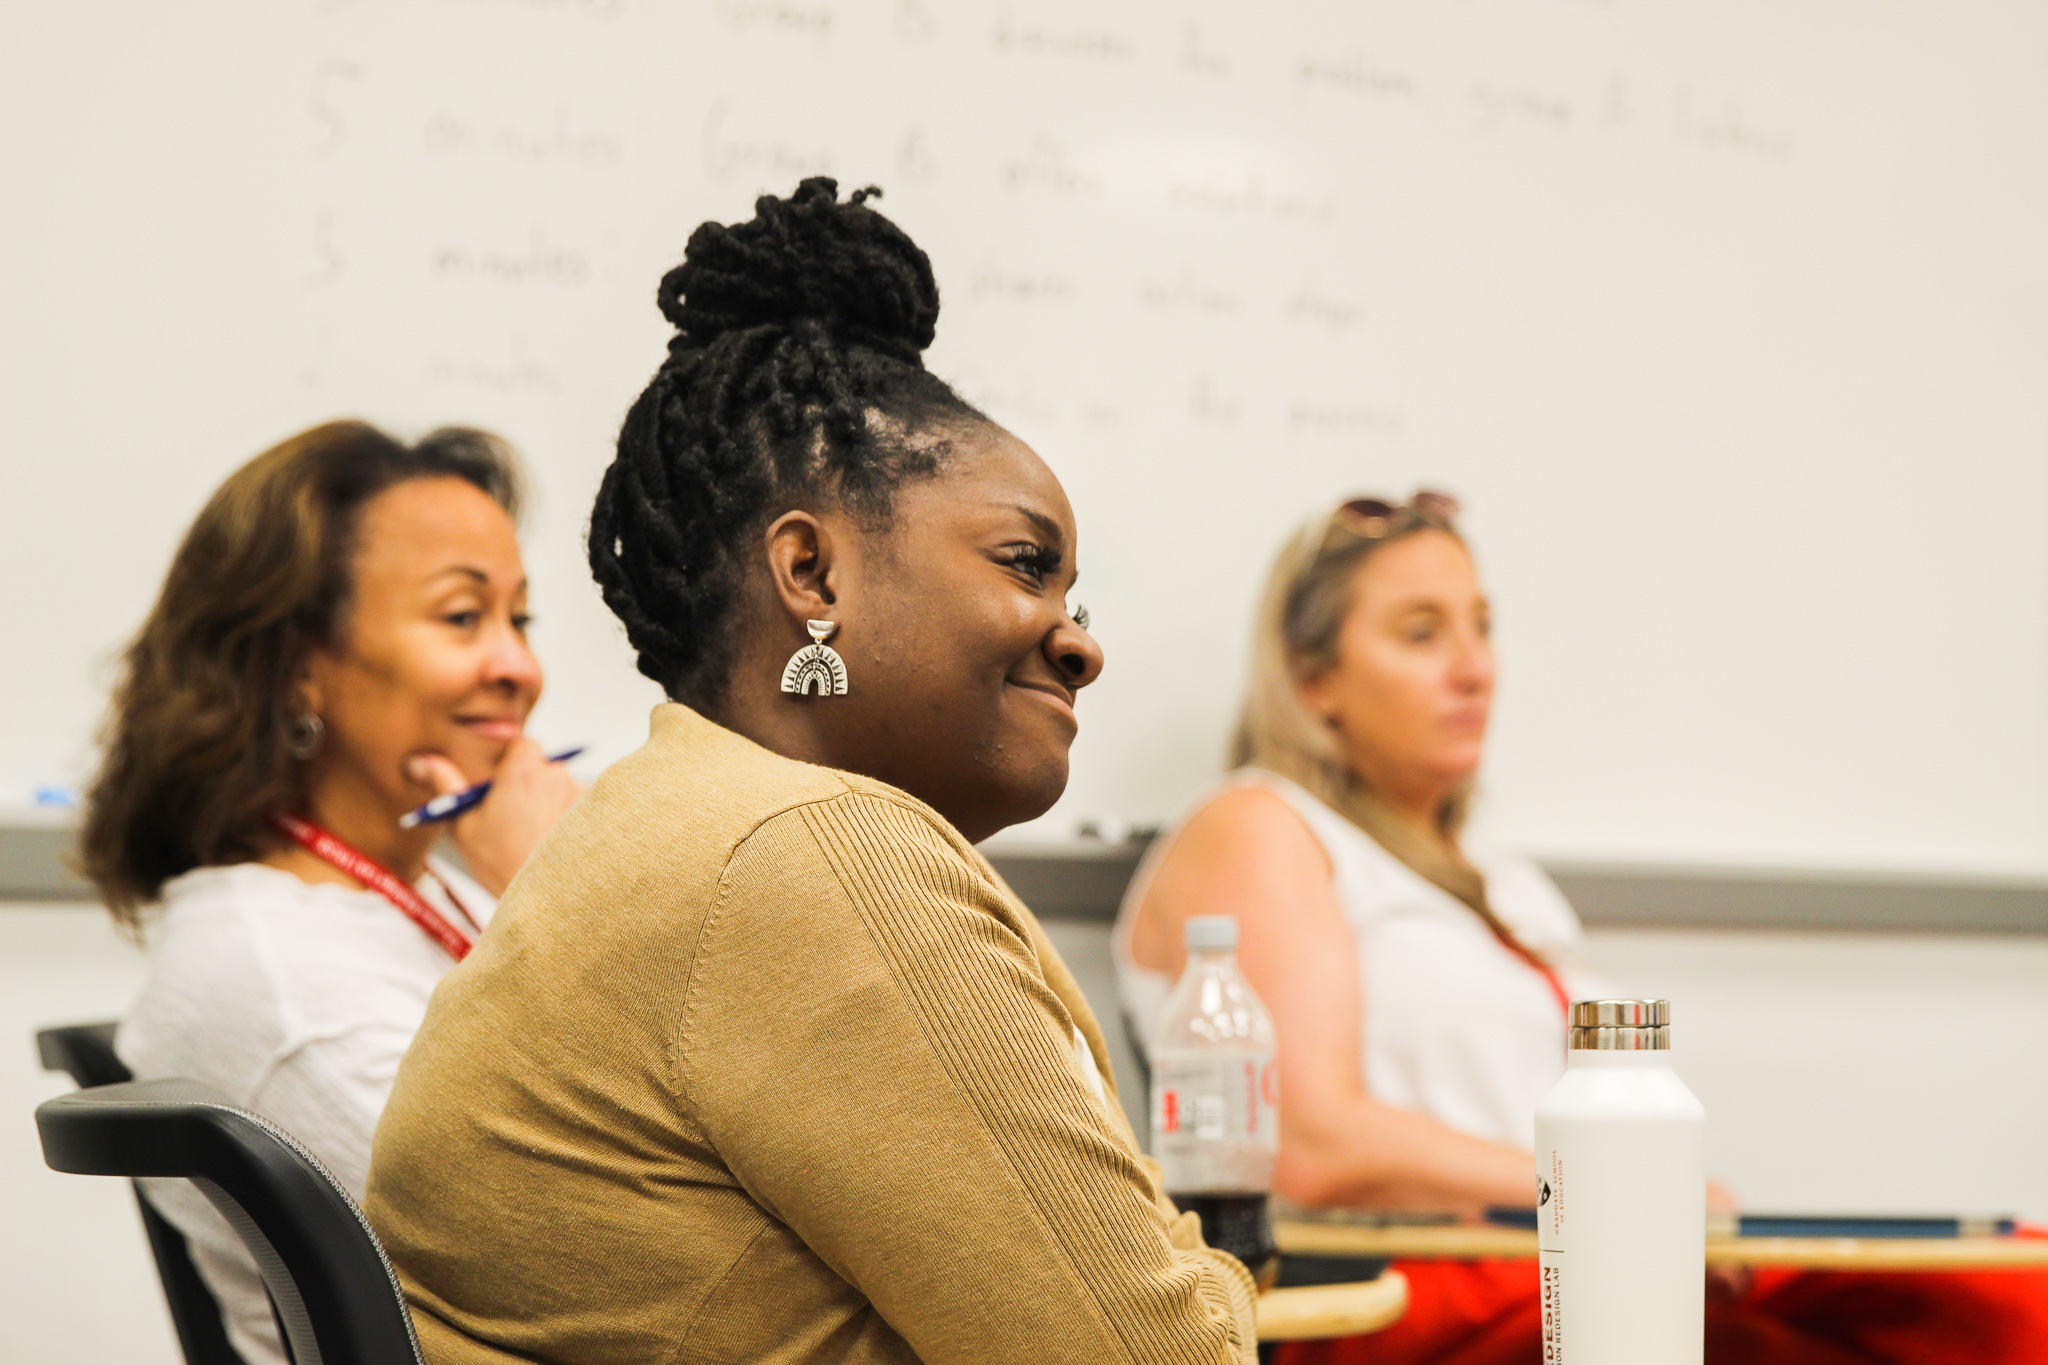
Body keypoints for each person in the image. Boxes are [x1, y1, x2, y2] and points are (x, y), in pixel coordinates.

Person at [366, 179, 1260, 1365]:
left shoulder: (685, 821)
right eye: (1024, 565)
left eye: (1072, 593)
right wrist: (1218, 1281)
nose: (1079, 640)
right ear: (812, 575)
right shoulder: (809, 854)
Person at [1115, 494, 2048, 1365]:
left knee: (2015, 1289)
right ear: (1315, 678)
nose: (1474, 667)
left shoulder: (1506, 881)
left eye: (1483, 626)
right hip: (1421, 1292)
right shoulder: (1260, 824)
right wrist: (1618, 1187)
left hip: (1579, 1251)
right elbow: (1313, 1146)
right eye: (1421, 632)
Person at [79, 421, 582, 1365]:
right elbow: (594, 1266)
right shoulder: (280, 978)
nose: (520, 668)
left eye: (520, 618)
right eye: (463, 616)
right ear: (305, 667)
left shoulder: (413, 889)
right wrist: (564, 895)